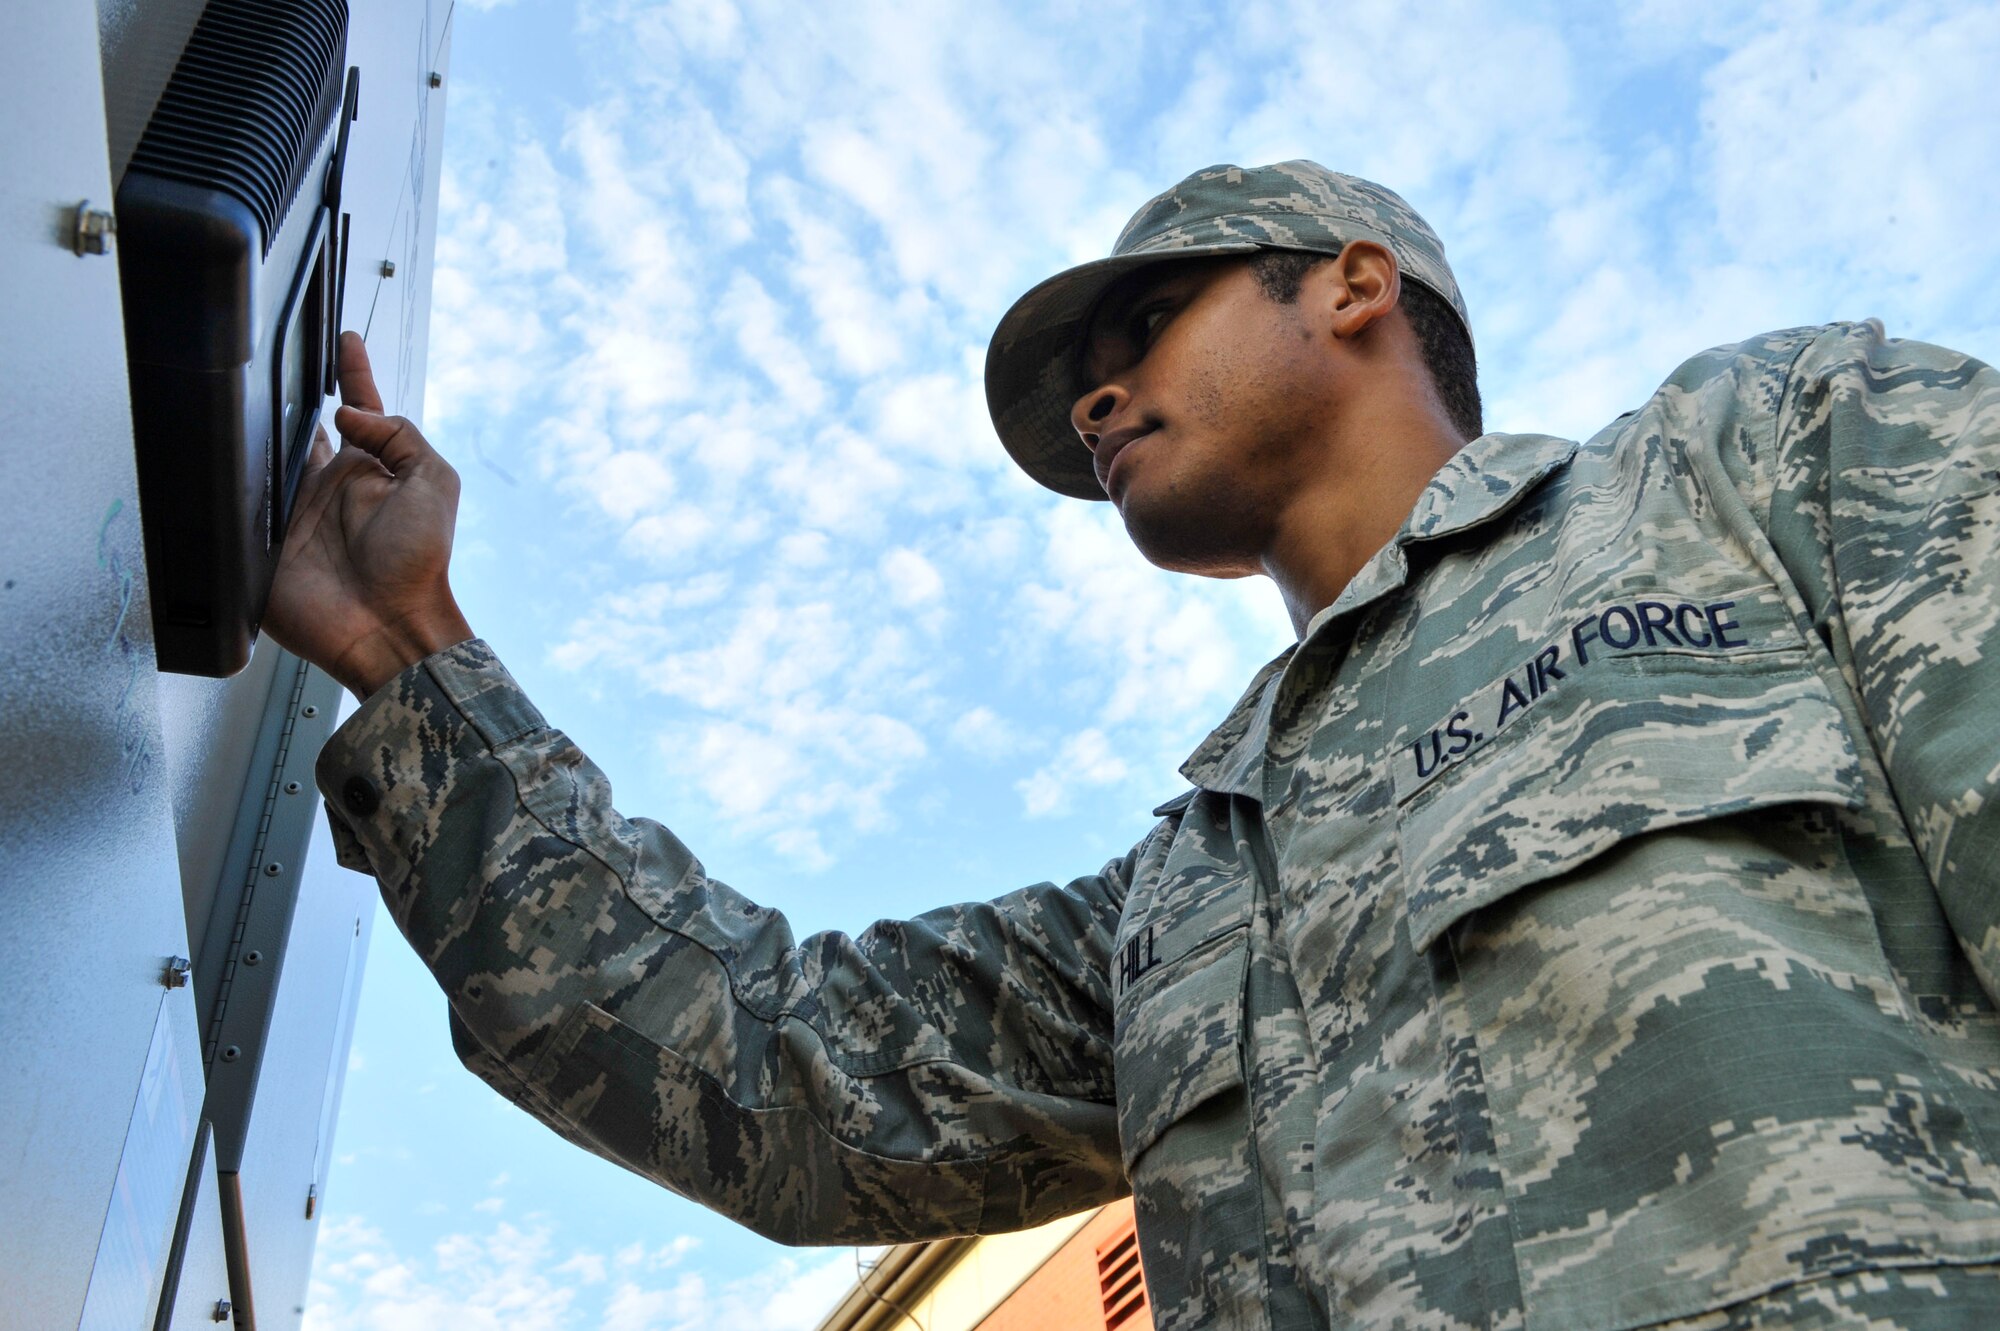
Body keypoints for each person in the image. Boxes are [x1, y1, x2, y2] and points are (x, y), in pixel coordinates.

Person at [267, 161, 2000, 1331]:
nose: (1096, 399)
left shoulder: (1758, 465)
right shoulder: (1184, 902)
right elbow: (759, 1057)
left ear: (1353, 285)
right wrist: (412, 650)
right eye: (1084, 377)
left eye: (1139, 333)